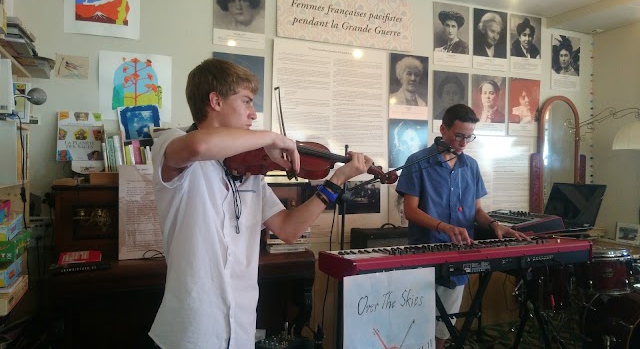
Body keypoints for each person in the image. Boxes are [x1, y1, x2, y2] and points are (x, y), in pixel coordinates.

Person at [148, 58, 372, 348]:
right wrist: (270, 138)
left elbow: (288, 230)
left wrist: (337, 179)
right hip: (192, 329)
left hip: (240, 327)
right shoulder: (172, 142)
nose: (253, 114)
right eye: (246, 102)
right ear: (215, 100)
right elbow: (199, 146)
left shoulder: (249, 172)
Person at [395, 104, 528, 349]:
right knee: (418, 325)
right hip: (426, 252)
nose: (464, 143)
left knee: (444, 329)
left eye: (469, 137)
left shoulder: (471, 166)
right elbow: (411, 211)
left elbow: (477, 211)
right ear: (443, 129)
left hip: (459, 253)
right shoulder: (417, 162)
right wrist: (443, 227)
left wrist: (495, 224)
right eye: (459, 136)